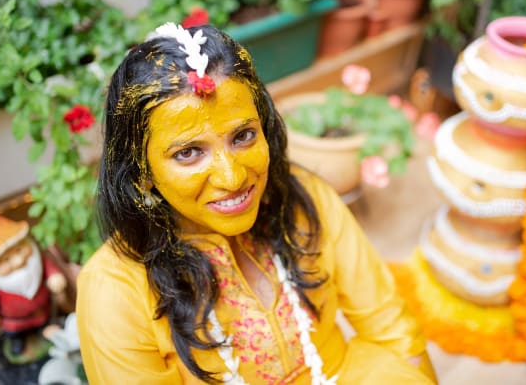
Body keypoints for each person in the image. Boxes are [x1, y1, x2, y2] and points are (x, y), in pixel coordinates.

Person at [76, 23, 437, 384]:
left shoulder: (305, 197)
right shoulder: (114, 291)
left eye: (243, 136)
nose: (232, 178)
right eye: (188, 153)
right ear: (142, 172)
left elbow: (392, 329)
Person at [0, 183, 67, 358]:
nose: (19, 260)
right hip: (15, 321)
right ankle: (17, 339)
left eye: (20, 249)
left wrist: (54, 276)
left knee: (47, 323)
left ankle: (45, 329)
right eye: (5, 260)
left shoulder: (36, 262)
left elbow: (47, 267)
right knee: (15, 333)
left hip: (43, 310)